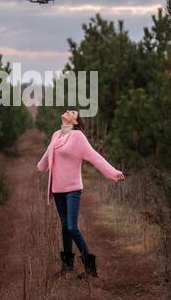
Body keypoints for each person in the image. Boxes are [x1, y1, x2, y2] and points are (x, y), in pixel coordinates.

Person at [37, 109, 125, 279]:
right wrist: (40, 165)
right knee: (64, 227)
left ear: (75, 122)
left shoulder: (78, 137)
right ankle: (67, 266)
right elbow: (48, 154)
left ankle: (90, 267)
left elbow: (94, 156)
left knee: (71, 226)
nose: (68, 111)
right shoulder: (56, 135)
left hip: (72, 189)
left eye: (72, 112)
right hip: (57, 189)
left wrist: (113, 173)